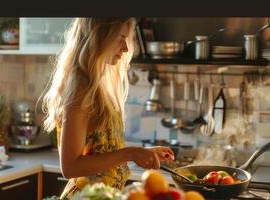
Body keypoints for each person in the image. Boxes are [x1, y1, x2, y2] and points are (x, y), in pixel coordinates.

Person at [42, 18, 174, 199]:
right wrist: (130, 153)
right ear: (99, 38)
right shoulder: (80, 89)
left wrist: (141, 153)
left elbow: (102, 152)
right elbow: (70, 167)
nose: (125, 48)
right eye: (120, 38)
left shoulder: (97, 85)